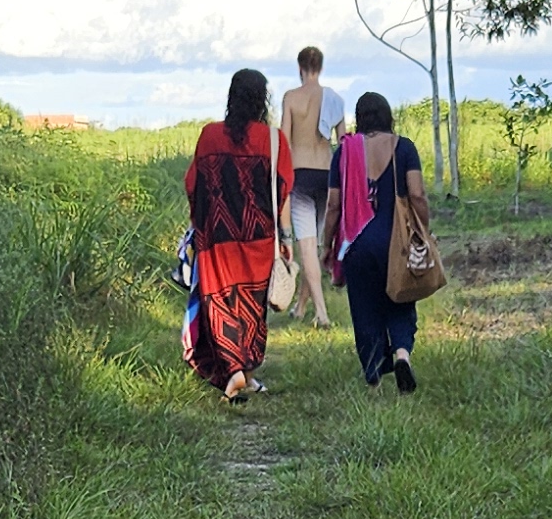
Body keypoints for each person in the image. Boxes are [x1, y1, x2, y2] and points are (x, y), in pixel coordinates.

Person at [184, 68, 294, 401]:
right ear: (263, 100)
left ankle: (234, 372)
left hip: (216, 239)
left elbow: (193, 185)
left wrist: (198, 223)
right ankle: (243, 371)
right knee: (252, 308)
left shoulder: (209, 136)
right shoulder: (272, 139)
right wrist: (286, 239)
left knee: (219, 302)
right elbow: (282, 192)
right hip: (258, 238)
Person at [320, 89, 431, 396]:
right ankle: (402, 355)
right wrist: (423, 230)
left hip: (357, 244)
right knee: (400, 299)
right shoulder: (404, 147)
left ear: (360, 118)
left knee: (365, 307)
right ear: (387, 116)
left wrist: (327, 245)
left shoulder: (344, 152)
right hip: (396, 241)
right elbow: (417, 194)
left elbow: (333, 205)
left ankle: (374, 377)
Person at [279, 42, 345, 329]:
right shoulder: (334, 99)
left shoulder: (291, 98)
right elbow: (343, 142)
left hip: (301, 176)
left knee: (306, 246)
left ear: (300, 68)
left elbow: (284, 141)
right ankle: (301, 306)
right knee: (315, 244)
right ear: (320, 67)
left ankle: (322, 313)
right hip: (327, 175)